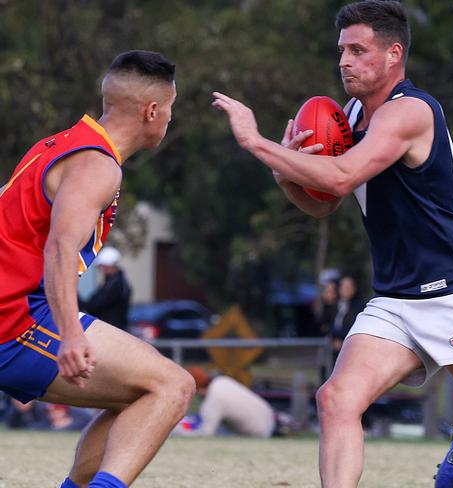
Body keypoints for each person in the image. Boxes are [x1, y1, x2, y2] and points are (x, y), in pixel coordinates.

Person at [212, 2, 453, 487]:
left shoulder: (410, 111)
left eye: (358, 50)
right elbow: (325, 204)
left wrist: (256, 142)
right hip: (397, 298)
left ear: (392, 55)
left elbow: (341, 177)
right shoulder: (353, 116)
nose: (344, 60)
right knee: (336, 399)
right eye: (341, 49)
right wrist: (285, 177)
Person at [0, 50, 195, 488]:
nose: (169, 119)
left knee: (142, 391)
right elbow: (60, 248)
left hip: (18, 310)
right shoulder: (98, 164)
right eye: (170, 108)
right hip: (15, 320)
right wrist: (71, 334)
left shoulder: (59, 144)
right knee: (172, 387)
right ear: (151, 111)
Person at [176, 366, 276, 438]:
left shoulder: (213, 400)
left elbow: (206, 433)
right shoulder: (222, 380)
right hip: (270, 417)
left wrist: (177, 432)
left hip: (260, 432)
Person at [79, 246, 132, 330]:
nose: (101, 269)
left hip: (113, 331)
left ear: (110, 265)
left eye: (102, 266)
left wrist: (75, 296)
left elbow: (94, 306)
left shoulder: (116, 285)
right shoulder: (114, 282)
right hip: (112, 330)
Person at [328, 276, 364, 357]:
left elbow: (354, 326)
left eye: (347, 287)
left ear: (354, 289)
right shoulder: (336, 305)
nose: (344, 290)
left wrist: (341, 339)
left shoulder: (359, 307)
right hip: (334, 348)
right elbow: (327, 323)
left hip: (350, 347)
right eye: (342, 286)